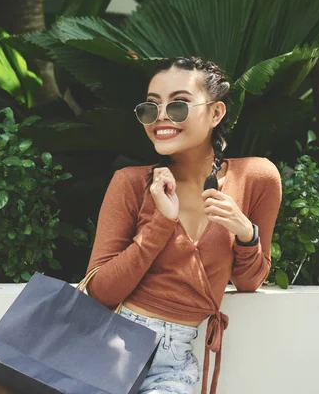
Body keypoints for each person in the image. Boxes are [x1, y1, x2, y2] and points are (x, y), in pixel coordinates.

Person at [85, 56, 282, 394]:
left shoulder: (256, 177)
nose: (161, 117)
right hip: (109, 348)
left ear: (216, 113)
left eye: (178, 105)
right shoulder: (132, 183)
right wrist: (162, 222)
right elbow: (100, 292)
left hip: (175, 362)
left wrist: (245, 232)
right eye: (150, 107)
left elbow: (250, 281)